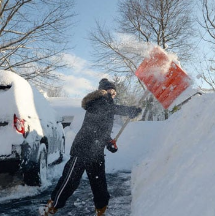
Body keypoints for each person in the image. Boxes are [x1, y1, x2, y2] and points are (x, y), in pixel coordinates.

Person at [40, 78, 142, 216]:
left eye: (115, 91)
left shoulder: (108, 107)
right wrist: (129, 110)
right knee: (70, 181)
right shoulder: (97, 102)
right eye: (111, 90)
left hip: (96, 152)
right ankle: (51, 207)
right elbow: (107, 109)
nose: (113, 93)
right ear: (104, 90)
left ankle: (101, 211)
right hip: (83, 148)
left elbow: (101, 130)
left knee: (100, 186)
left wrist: (109, 143)